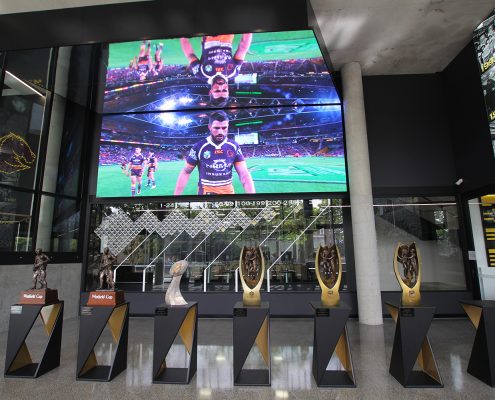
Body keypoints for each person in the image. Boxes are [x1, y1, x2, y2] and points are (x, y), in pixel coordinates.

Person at [174, 110, 255, 195]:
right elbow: (186, 172)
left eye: (224, 128)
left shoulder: (234, 146)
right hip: (205, 193)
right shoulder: (198, 147)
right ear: (209, 127)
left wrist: (253, 198)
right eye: (216, 128)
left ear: (228, 126)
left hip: (228, 193)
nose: (220, 132)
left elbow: (244, 174)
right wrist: (175, 197)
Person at [180, 34, 252, 106]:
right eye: (224, 90)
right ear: (228, 91)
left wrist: (183, 35)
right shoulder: (234, 72)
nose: (220, 86)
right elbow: (242, 50)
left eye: (217, 90)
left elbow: (190, 55)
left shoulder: (200, 74)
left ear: (210, 92)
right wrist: (248, 32)